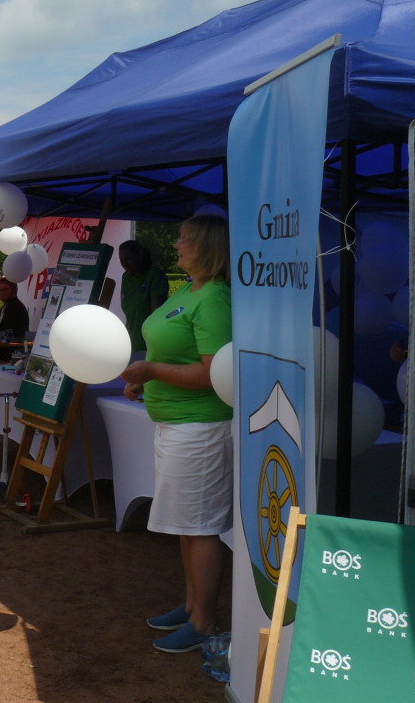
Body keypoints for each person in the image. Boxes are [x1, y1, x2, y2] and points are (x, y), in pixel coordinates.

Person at [120, 214, 233, 654]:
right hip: (177, 426)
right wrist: (146, 382)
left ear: (207, 248)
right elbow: (176, 357)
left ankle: (203, 622)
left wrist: (151, 371)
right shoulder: (189, 290)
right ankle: (190, 607)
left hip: (201, 428)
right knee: (188, 525)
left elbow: (213, 374)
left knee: (200, 527)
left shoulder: (215, 298)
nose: (176, 245)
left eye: (185, 239)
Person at [118, 240, 169, 357]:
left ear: (140, 255)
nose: (125, 264)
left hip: (149, 342)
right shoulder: (126, 277)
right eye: (121, 260)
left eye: (128, 259)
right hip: (131, 341)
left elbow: (157, 313)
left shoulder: (155, 275)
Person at [0, 277, 30, 362]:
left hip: (14, 346)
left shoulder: (16, 307)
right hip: (6, 341)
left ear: (14, 290)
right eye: (0, 290)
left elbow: (2, 327)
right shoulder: (6, 306)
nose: (2, 293)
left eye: (6, 290)